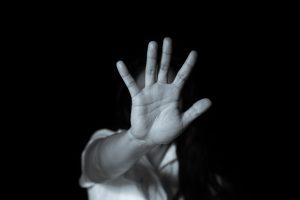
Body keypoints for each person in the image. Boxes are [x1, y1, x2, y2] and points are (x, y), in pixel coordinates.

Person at [79, 37, 234, 200]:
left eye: (166, 93)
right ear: (130, 103)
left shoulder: (200, 165)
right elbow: (98, 165)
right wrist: (140, 140)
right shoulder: (106, 141)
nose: (156, 105)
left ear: (182, 101)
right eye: (144, 93)